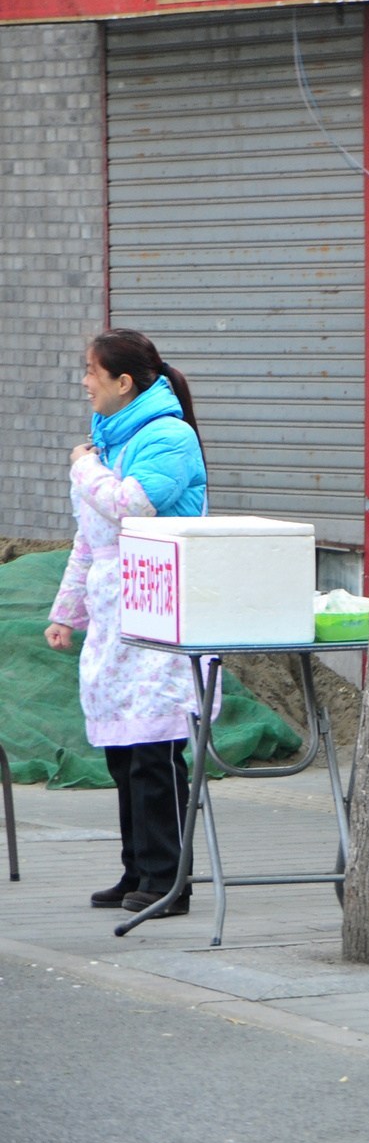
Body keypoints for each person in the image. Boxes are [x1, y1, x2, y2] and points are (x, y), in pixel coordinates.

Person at [44, 329, 208, 917]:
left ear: (123, 382)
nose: (84, 382)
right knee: (122, 748)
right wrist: (67, 613)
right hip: (117, 613)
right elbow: (89, 544)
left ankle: (169, 879)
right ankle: (136, 868)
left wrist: (82, 470)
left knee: (155, 749)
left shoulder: (168, 437)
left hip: (163, 606)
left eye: (91, 371)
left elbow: (131, 505)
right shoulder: (107, 445)